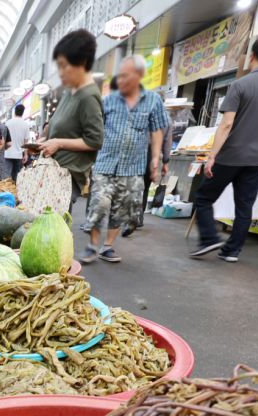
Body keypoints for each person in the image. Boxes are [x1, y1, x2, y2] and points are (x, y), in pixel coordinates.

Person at [190, 36, 258, 262]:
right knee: (244, 207)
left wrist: (212, 156)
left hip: (230, 155)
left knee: (204, 197)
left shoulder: (241, 84)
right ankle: (232, 251)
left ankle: (209, 238)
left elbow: (226, 124)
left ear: (252, 56)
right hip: (257, 158)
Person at [81, 55, 168, 263]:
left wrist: (156, 157)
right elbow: (95, 131)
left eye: (125, 76)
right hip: (105, 162)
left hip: (133, 166)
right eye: (119, 76)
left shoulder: (153, 101)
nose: (120, 80)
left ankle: (107, 246)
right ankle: (92, 245)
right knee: (99, 204)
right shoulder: (108, 101)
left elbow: (157, 130)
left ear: (139, 75)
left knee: (122, 208)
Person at [38, 29, 104, 212]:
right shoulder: (69, 92)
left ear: (81, 63)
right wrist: (43, 140)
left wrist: (58, 143)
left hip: (67, 175)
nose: (60, 72)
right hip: (52, 170)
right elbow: (57, 124)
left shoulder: (88, 97)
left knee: (54, 222)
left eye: (64, 66)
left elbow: (95, 140)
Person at [124, 91, 173, 236]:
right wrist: (165, 162)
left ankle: (130, 217)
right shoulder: (167, 119)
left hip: (140, 153)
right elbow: (167, 142)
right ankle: (139, 218)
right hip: (153, 157)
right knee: (144, 189)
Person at [5, 104, 28, 180]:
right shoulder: (25, 125)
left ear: (14, 112)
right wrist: (26, 155)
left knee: (6, 179)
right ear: (23, 112)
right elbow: (26, 142)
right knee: (17, 178)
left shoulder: (8, 123)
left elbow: (4, 139)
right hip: (18, 155)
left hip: (8, 154)